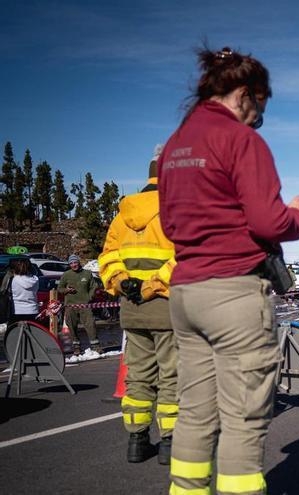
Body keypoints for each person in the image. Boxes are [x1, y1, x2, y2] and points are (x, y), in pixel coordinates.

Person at [158, 46, 299, 495]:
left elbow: (170, 224)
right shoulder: (242, 141)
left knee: (194, 412)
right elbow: (268, 222)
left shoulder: (175, 145)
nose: (259, 116)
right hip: (233, 294)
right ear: (244, 93)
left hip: (187, 292)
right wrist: (298, 215)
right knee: (244, 415)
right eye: (260, 106)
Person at [99, 146, 178, 465]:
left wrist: (122, 283)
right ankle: (170, 444)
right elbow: (185, 257)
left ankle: (137, 439)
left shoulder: (122, 215)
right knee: (173, 375)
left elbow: (107, 257)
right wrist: (152, 286)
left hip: (131, 310)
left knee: (139, 376)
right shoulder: (177, 210)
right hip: (167, 308)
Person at [59, 254, 100, 354]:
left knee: (91, 325)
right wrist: (67, 290)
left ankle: (96, 346)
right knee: (72, 327)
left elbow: (94, 286)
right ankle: (76, 347)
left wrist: (89, 297)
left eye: (75, 262)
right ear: (69, 265)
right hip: (70, 306)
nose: (74, 265)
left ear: (79, 262)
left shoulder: (87, 273)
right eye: (71, 263)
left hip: (85, 305)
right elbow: (59, 289)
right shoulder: (66, 275)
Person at [4, 258, 40, 325]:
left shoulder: (13, 280)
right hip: (32, 310)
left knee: (14, 333)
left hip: (17, 310)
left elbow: (4, 291)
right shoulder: (35, 279)